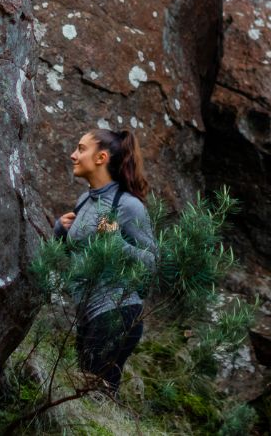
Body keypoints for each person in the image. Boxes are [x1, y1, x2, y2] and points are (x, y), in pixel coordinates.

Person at [54, 128, 157, 395]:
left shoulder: (128, 206)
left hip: (118, 313)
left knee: (93, 394)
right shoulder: (84, 201)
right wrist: (60, 231)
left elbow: (153, 263)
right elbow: (73, 256)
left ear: (101, 158)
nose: (73, 155)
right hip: (88, 315)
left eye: (81, 149)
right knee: (87, 394)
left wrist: (117, 242)